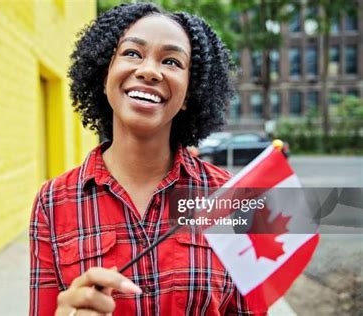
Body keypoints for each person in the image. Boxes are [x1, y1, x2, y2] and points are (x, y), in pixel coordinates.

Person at [30, 3, 264, 315]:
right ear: (104, 75)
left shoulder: (230, 197)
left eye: (171, 61)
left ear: (189, 94)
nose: (149, 71)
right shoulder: (52, 202)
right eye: (131, 53)